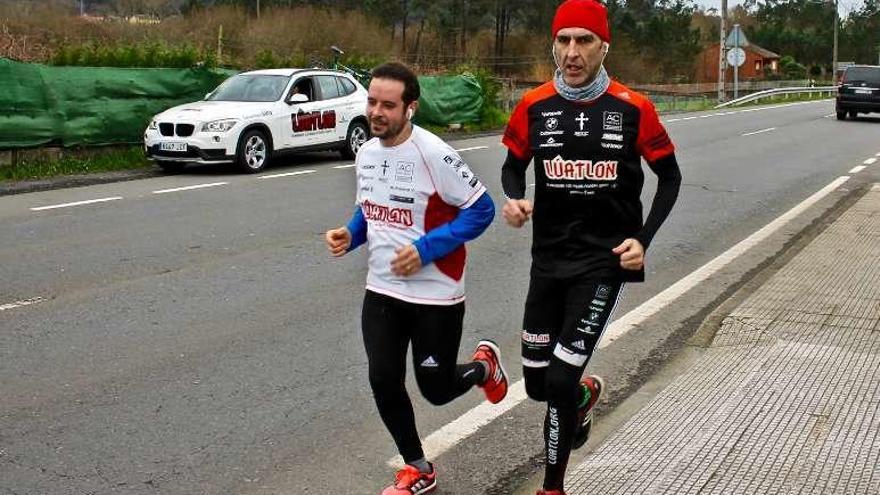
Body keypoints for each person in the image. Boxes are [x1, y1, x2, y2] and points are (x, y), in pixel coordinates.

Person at [500, 1, 682, 494]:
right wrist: (514, 197)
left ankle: (552, 486)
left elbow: (670, 177)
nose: (572, 52)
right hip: (548, 262)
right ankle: (581, 397)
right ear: (553, 45)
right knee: (539, 384)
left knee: (555, 383)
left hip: (602, 263)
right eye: (563, 41)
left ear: (605, 46)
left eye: (584, 41)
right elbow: (514, 164)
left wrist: (642, 241)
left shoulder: (633, 108)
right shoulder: (535, 104)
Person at [325, 62, 508, 495]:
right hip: (382, 291)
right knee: (382, 378)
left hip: (436, 296)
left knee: (437, 391)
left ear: (411, 108)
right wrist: (350, 234)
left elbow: (481, 211)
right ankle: (418, 467)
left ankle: (484, 368)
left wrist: (425, 250)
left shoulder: (435, 154)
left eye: (388, 105)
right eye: (372, 102)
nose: (377, 112)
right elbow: (370, 211)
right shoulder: (366, 153)